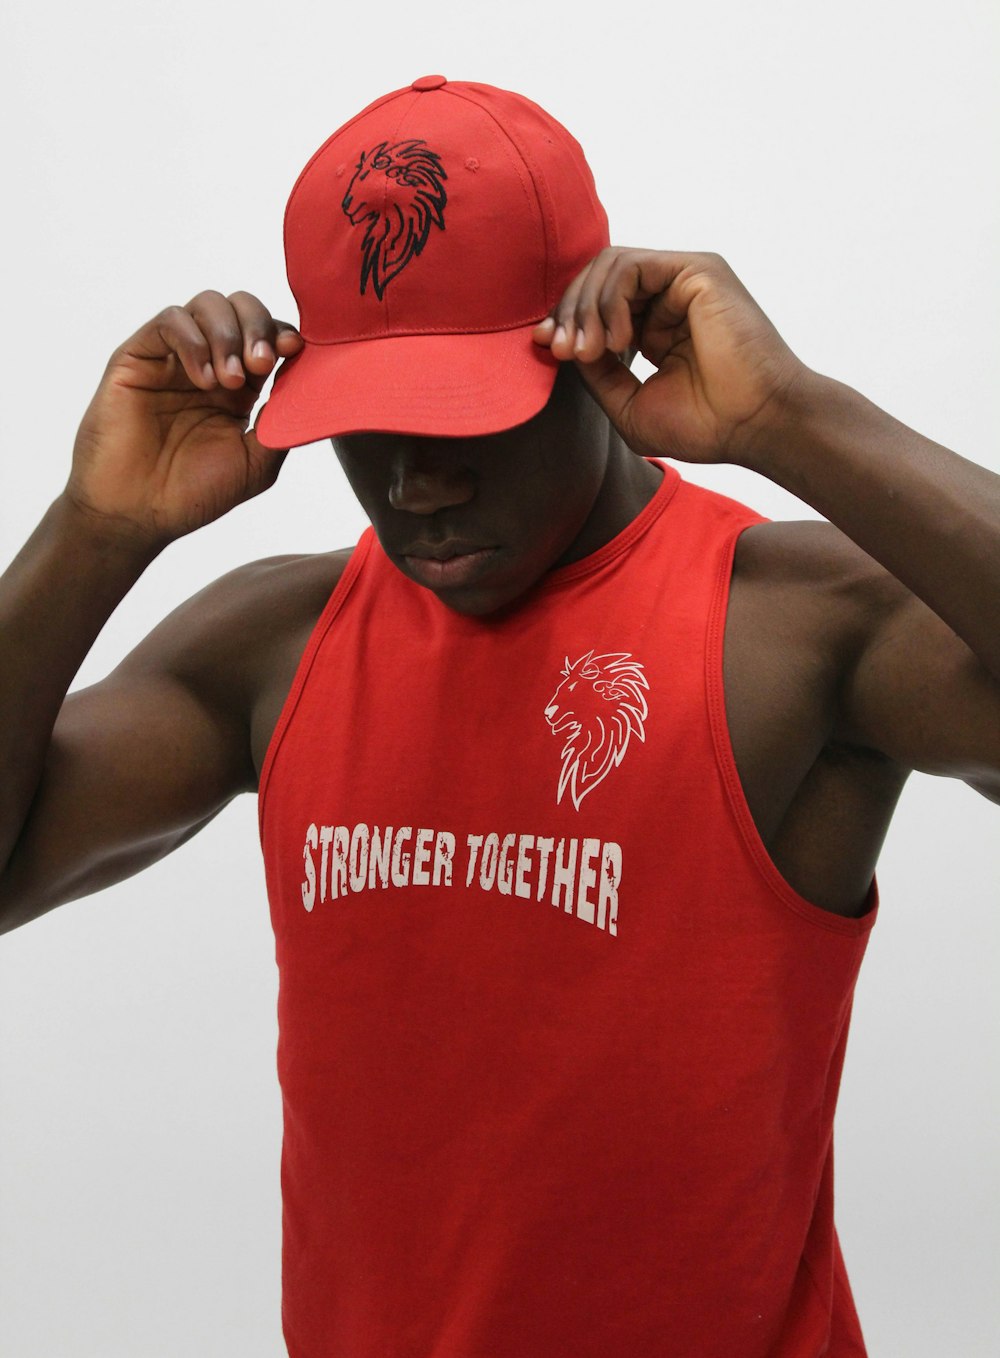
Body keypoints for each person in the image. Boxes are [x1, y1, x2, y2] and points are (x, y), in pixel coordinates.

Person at [0, 73, 997, 1357]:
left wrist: (790, 418)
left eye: (460, 413)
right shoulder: (275, 642)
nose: (416, 480)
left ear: (588, 347)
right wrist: (95, 529)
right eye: (366, 423)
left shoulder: (793, 627)